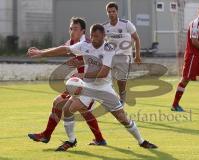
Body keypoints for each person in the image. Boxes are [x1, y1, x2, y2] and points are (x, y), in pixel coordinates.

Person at [27, 24, 157, 150]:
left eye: (97, 37)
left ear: (104, 36)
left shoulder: (109, 49)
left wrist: (83, 74)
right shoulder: (85, 46)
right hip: (88, 86)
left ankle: (142, 141)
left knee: (123, 119)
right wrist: (41, 52)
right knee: (67, 108)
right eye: (92, 36)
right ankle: (71, 141)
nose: (94, 39)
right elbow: (64, 49)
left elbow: (103, 73)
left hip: (104, 88)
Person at [27, 17, 106, 150]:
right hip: (80, 83)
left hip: (92, 83)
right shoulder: (72, 42)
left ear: (83, 31)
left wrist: (84, 71)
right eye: (71, 28)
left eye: (75, 29)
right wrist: (41, 52)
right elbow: (61, 49)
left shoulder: (87, 43)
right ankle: (99, 139)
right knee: (70, 106)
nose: (72, 31)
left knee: (66, 105)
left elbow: (99, 61)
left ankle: (52, 136)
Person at [102, 2, 141, 104]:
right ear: (107, 13)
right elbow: (100, 41)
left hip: (124, 56)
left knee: (121, 81)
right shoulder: (104, 27)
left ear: (117, 12)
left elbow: (136, 39)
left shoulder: (126, 24)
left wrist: (137, 56)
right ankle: (107, 98)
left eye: (113, 11)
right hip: (110, 56)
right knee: (103, 76)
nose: (111, 14)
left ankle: (122, 98)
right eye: (109, 12)